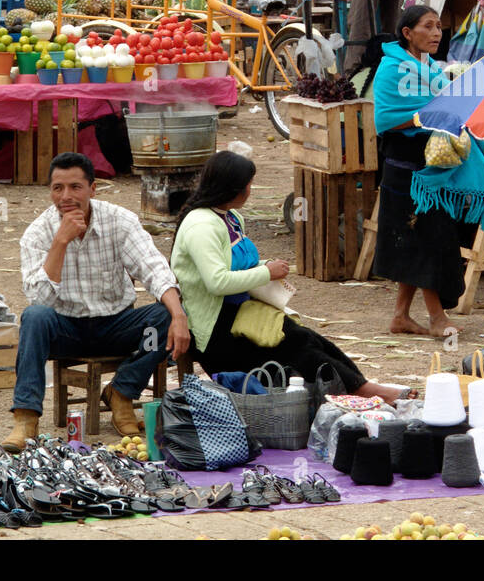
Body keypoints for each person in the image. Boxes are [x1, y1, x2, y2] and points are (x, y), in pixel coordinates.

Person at [170, 152, 413, 402]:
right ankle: (362, 391)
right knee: (296, 347)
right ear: (231, 189)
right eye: (248, 185)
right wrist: (266, 272)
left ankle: (362, 386)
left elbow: (238, 265)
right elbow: (217, 282)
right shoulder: (202, 226)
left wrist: (267, 265)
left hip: (239, 313)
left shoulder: (231, 218)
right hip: (217, 333)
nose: (250, 190)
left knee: (304, 336)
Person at [3, 152, 189, 452]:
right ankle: (26, 417)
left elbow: (154, 269)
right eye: (57, 188)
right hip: (66, 331)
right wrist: (60, 242)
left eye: (75, 187)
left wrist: (179, 315)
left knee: (163, 316)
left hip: (117, 328)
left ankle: (122, 391)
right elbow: (39, 297)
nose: (66, 196)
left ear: (93, 188)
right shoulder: (38, 233)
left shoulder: (120, 221)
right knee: (34, 317)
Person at [372, 6, 484, 337]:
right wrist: (422, 117)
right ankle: (438, 318)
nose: (437, 32)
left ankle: (400, 317)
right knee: (428, 240)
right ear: (407, 33)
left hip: (434, 168)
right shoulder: (391, 69)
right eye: (428, 26)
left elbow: (445, 107)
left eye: (439, 26)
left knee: (419, 239)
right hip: (407, 169)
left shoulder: (433, 70)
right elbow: (384, 120)